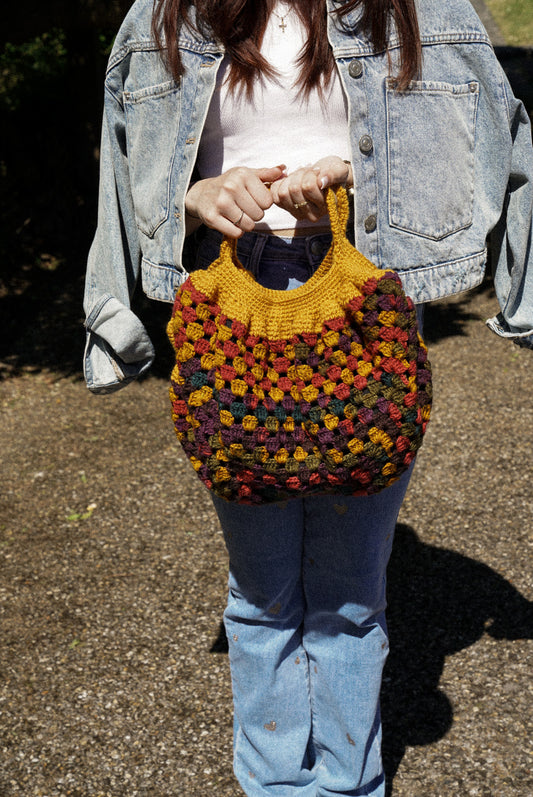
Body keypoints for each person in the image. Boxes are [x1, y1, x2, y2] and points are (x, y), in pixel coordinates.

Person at [83, 0, 533, 794]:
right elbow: (129, 158)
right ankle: (276, 784)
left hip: (359, 287)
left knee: (351, 595)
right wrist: (195, 199)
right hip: (230, 290)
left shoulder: (419, 7)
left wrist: (357, 174)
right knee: (259, 594)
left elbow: (501, 127)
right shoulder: (166, 11)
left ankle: (350, 784)